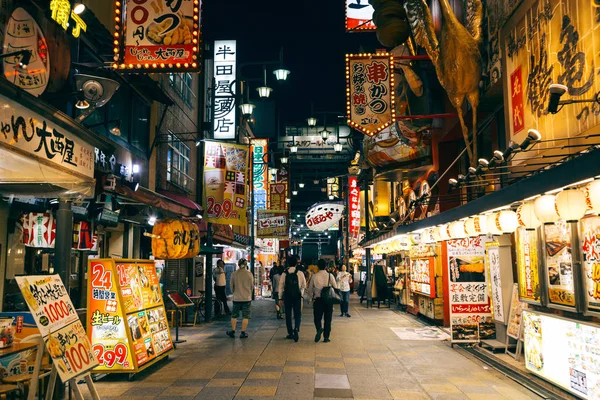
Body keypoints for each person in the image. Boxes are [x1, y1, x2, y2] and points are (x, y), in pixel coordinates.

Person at [307, 259, 338, 343]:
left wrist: (310, 298)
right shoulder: (330, 276)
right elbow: (335, 287)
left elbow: (310, 289)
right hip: (328, 300)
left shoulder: (314, 276)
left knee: (317, 318)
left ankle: (319, 329)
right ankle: (326, 337)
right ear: (326, 266)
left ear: (317, 266)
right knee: (328, 319)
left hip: (318, 300)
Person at [278, 256, 306, 342]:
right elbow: (304, 285)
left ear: (288, 263)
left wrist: (280, 298)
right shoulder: (300, 273)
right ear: (296, 263)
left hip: (287, 296)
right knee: (298, 313)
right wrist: (301, 293)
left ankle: (290, 333)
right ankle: (296, 328)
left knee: (288, 314)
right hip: (297, 296)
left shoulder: (284, 273)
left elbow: (281, 286)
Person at [226, 259, 253, 338]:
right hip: (247, 298)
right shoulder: (249, 274)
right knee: (245, 316)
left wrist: (235, 292)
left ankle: (233, 331)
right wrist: (249, 293)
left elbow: (231, 286)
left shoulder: (234, 274)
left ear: (238, 264)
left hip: (237, 298)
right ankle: (243, 332)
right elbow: (251, 286)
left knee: (234, 315)